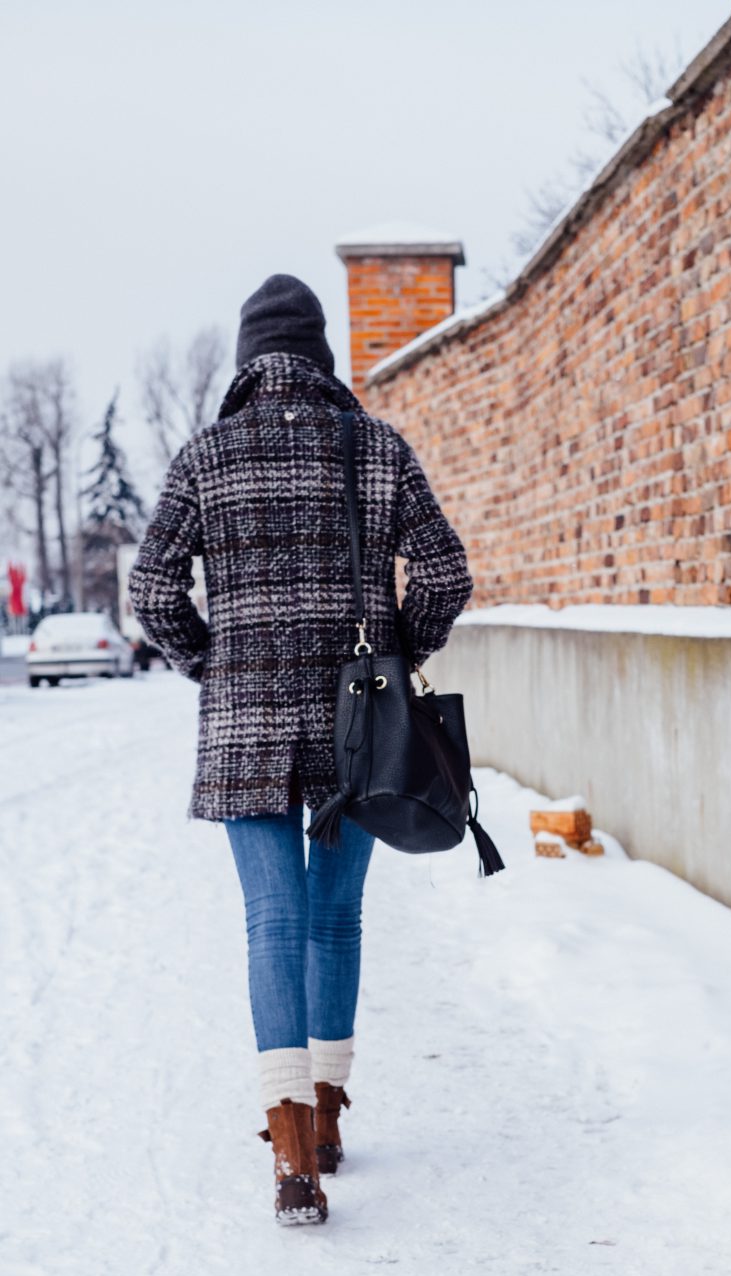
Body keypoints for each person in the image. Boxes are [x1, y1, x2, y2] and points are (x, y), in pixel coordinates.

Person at [129, 274, 473, 1226]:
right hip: (358, 726)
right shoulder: (374, 447)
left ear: (246, 361)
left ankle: (289, 1157)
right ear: (322, 357)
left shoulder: (206, 456)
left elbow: (153, 593)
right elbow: (446, 571)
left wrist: (213, 665)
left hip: (245, 723)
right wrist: (401, 648)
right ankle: (327, 1117)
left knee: (271, 923)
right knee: (336, 920)